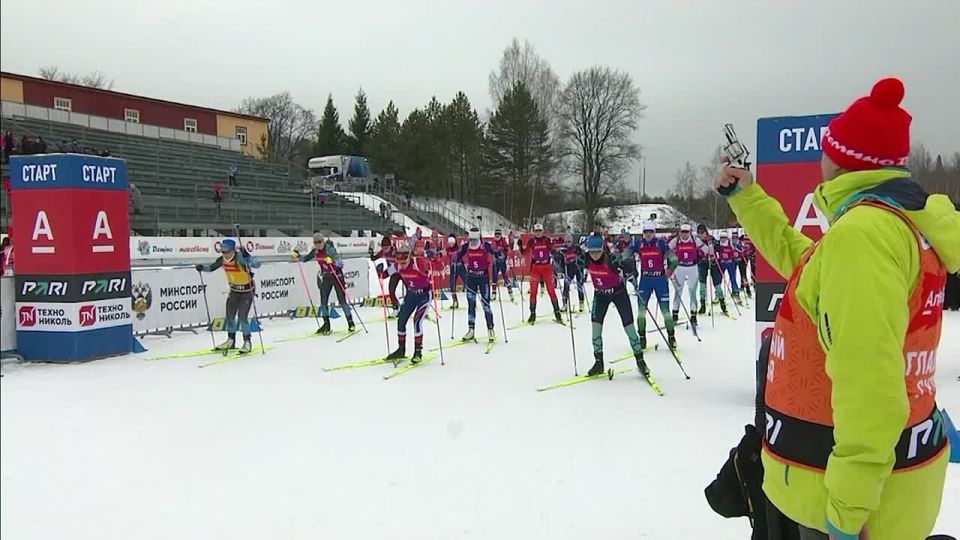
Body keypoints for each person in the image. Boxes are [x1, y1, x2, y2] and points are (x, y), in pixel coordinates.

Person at [715, 77, 959, 540]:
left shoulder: (863, 237)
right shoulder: (888, 224)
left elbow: (871, 389)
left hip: (846, 503)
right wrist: (746, 197)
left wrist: (845, 516)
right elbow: (801, 264)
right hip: (872, 485)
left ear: (839, 160)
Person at [582, 233, 649, 378]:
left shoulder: (611, 259)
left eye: (597, 251)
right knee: (595, 330)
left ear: (603, 249)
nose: (594, 255)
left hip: (619, 294)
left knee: (629, 328)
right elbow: (572, 263)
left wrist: (630, 272)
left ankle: (640, 360)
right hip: (600, 295)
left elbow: (628, 265)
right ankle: (598, 362)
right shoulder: (586, 259)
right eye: (591, 252)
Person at [195, 239, 261, 353]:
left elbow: (257, 264)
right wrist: (202, 268)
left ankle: (247, 342)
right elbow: (211, 268)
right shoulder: (222, 260)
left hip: (247, 290)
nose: (224, 253)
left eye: (227, 251)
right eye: (222, 250)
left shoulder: (239, 257)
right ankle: (231, 340)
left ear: (232, 250)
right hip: (234, 290)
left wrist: (248, 257)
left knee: (242, 316)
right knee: (230, 316)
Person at [626, 221, 678, 350]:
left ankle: (671, 337)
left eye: (650, 232)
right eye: (645, 232)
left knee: (665, 312)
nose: (648, 234)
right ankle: (642, 337)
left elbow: (674, 259)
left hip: (660, 280)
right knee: (641, 313)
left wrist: (670, 270)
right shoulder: (638, 244)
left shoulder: (660, 243)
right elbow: (623, 256)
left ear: (654, 233)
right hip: (645, 281)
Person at [293, 232, 356, 335]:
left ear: (323, 241)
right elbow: (305, 259)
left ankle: (350, 323)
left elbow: (341, 263)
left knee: (342, 300)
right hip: (326, 277)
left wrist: (332, 261)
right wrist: (297, 255)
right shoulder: (315, 251)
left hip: (336, 276)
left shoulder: (329, 249)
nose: (318, 244)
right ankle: (326, 324)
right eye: (316, 242)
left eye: (320, 242)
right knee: (323, 302)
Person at [386, 239, 433, 363]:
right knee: (401, 320)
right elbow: (384, 274)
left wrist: (430, 270)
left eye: (404, 259)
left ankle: (418, 352)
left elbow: (432, 267)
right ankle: (401, 349)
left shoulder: (418, 263)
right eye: (399, 259)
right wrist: (380, 272)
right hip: (411, 295)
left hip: (424, 296)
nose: (401, 263)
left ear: (409, 256)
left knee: (417, 321)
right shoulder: (397, 265)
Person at [454, 227, 495, 343]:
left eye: (474, 239)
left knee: (486, 304)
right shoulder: (466, 246)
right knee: (471, 304)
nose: (472, 242)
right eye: (470, 239)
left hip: (483, 278)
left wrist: (497, 254)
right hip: (471, 278)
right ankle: (471, 330)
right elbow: (458, 254)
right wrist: (455, 258)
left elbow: (495, 251)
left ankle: (490, 328)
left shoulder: (485, 245)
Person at [520, 223, 562, 324]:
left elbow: (552, 249)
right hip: (535, 268)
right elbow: (524, 252)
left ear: (542, 231)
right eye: (536, 231)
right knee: (533, 291)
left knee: (551, 290)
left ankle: (557, 313)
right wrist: (520, 246)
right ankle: (532, 314)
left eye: (540, 231)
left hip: (546, 267)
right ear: (534, 232)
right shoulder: (532, 241)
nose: (538, 233)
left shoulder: (547, 240)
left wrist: (556, 252)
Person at [668, 224, 704, 327]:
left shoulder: (694, 239)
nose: (684, 234)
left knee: (692, 291)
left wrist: (710, 245)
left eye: (686, 232)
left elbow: (707, 250)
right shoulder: (676, 240)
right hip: (679, 268)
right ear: (680, 232)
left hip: (692, 267)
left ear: (690, 232)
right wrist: (670, 260)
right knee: (678, 291)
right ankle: (675, 314)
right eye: (682, 232)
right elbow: (666, 250)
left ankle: (693, 316)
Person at [371, 236, 400, 317]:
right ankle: (396, 308)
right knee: (391, 291)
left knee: (410, 290)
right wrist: (371, 254)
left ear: (390, 246)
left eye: (387, 247)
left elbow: (397, 264)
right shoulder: (383, 252)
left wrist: (383, 274)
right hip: (394, 273)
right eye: (383, 247)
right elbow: (374, 258)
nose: (385, 249)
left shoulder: (395, 251)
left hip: (402, 272)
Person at [558, 233, 585, 313]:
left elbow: (582, 256)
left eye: (569, 241)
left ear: (572, 241)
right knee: (566, 285)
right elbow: (561, 262)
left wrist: (579, 256)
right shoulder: (563, 249)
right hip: (569, 269)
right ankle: (565, 304)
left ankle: (581, 303)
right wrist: (562, 270)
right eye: (566, 241)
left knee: (579, 285)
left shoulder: (576, 248)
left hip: (577, 268)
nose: (567, 243)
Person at [715, 231, 742, 305]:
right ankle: (718, 294)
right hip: (722, 263)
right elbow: (714, 250)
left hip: (730, 263)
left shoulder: (730, 243)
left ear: (727, 237)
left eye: (724, 237)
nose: (723, 239)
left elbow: (738, 250)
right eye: (721, 238)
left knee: (733, 278)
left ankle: (736, 294)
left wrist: (737, 255)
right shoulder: (718, 244)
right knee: (719, 279)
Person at [489, 229, 514, 302]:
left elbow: (508, 249)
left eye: (498, 235)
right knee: (494, 278)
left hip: (503, 262)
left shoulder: (503, 241)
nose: (497, 237)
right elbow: (491, 250)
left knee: (505, 277)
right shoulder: (493, 242)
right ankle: (494, 294)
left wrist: (507, 252)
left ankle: (510, 293)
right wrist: (493, 251)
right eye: (496, 235)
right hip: (495, 263)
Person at [730, 231, 752, 299]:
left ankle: (748, 290)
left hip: (741, 260)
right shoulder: (730, 242)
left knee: (743, 275)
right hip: (734, 260)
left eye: (736, 236)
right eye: (733, 236)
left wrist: (744, 253)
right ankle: (734, 290)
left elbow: (744, 250)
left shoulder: (740, 242)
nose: (734, 238)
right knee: (733, 275)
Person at [446, 234, 464, 309]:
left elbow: (462, 253)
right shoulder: (447, 249)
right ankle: (455, 301)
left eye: (452, 243)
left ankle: (472, 301)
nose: (451, 244)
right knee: (452, 284)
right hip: (453, 267)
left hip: (460, 266)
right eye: (449, 243)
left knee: (467, 283)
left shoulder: (458, 247)